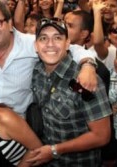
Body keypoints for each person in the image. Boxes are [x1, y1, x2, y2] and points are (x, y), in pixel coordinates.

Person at [0, 1, 98, 117]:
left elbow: (71, 48)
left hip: (17, 129)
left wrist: (88, 65)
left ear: (10, 23)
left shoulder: (30, 44)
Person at [23, 18, 112, 166]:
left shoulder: (85, 80)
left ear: (67, 43)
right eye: (43, 38)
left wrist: (54, 150)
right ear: (36, 46)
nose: (50, 44)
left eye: (57, 38)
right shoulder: (36, 72)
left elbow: (101, 136)